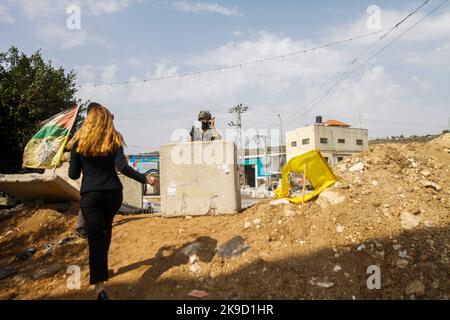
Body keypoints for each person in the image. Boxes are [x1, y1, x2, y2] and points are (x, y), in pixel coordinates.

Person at [67, 104, 157, 300]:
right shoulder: (114, 139)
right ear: (107, 120)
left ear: (88, 120)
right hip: (113, 194)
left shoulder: (78, 142)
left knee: (95, 238)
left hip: (91, 195)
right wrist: (145, 179)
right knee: (106, 229)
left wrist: (80, 162)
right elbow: (123, 168)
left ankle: (99, 286)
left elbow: (73, 174)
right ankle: (103, 269)